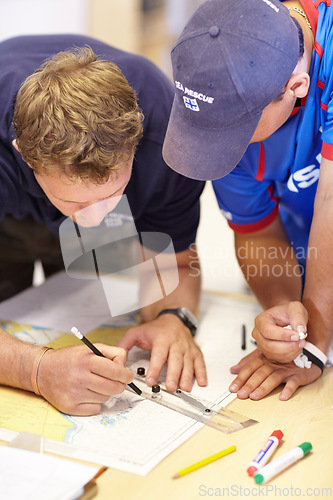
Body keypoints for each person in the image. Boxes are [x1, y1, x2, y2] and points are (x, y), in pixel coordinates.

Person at [0, 34, 207, 415]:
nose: (95, 222)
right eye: (74, 201)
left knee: (79, 292)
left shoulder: (169, 142)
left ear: (135, 144)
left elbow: (175, 262)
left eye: (112, 195)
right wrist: (36, 369)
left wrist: (173, 318)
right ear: (24, 155)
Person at [162, 0, 333, 401]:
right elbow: (255, 229)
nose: (225, 150)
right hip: (308, 245)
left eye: (235, 134)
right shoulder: (228, 51)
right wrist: (287, 320)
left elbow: (330, 203)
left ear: (298, 87)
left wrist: (313, 345)